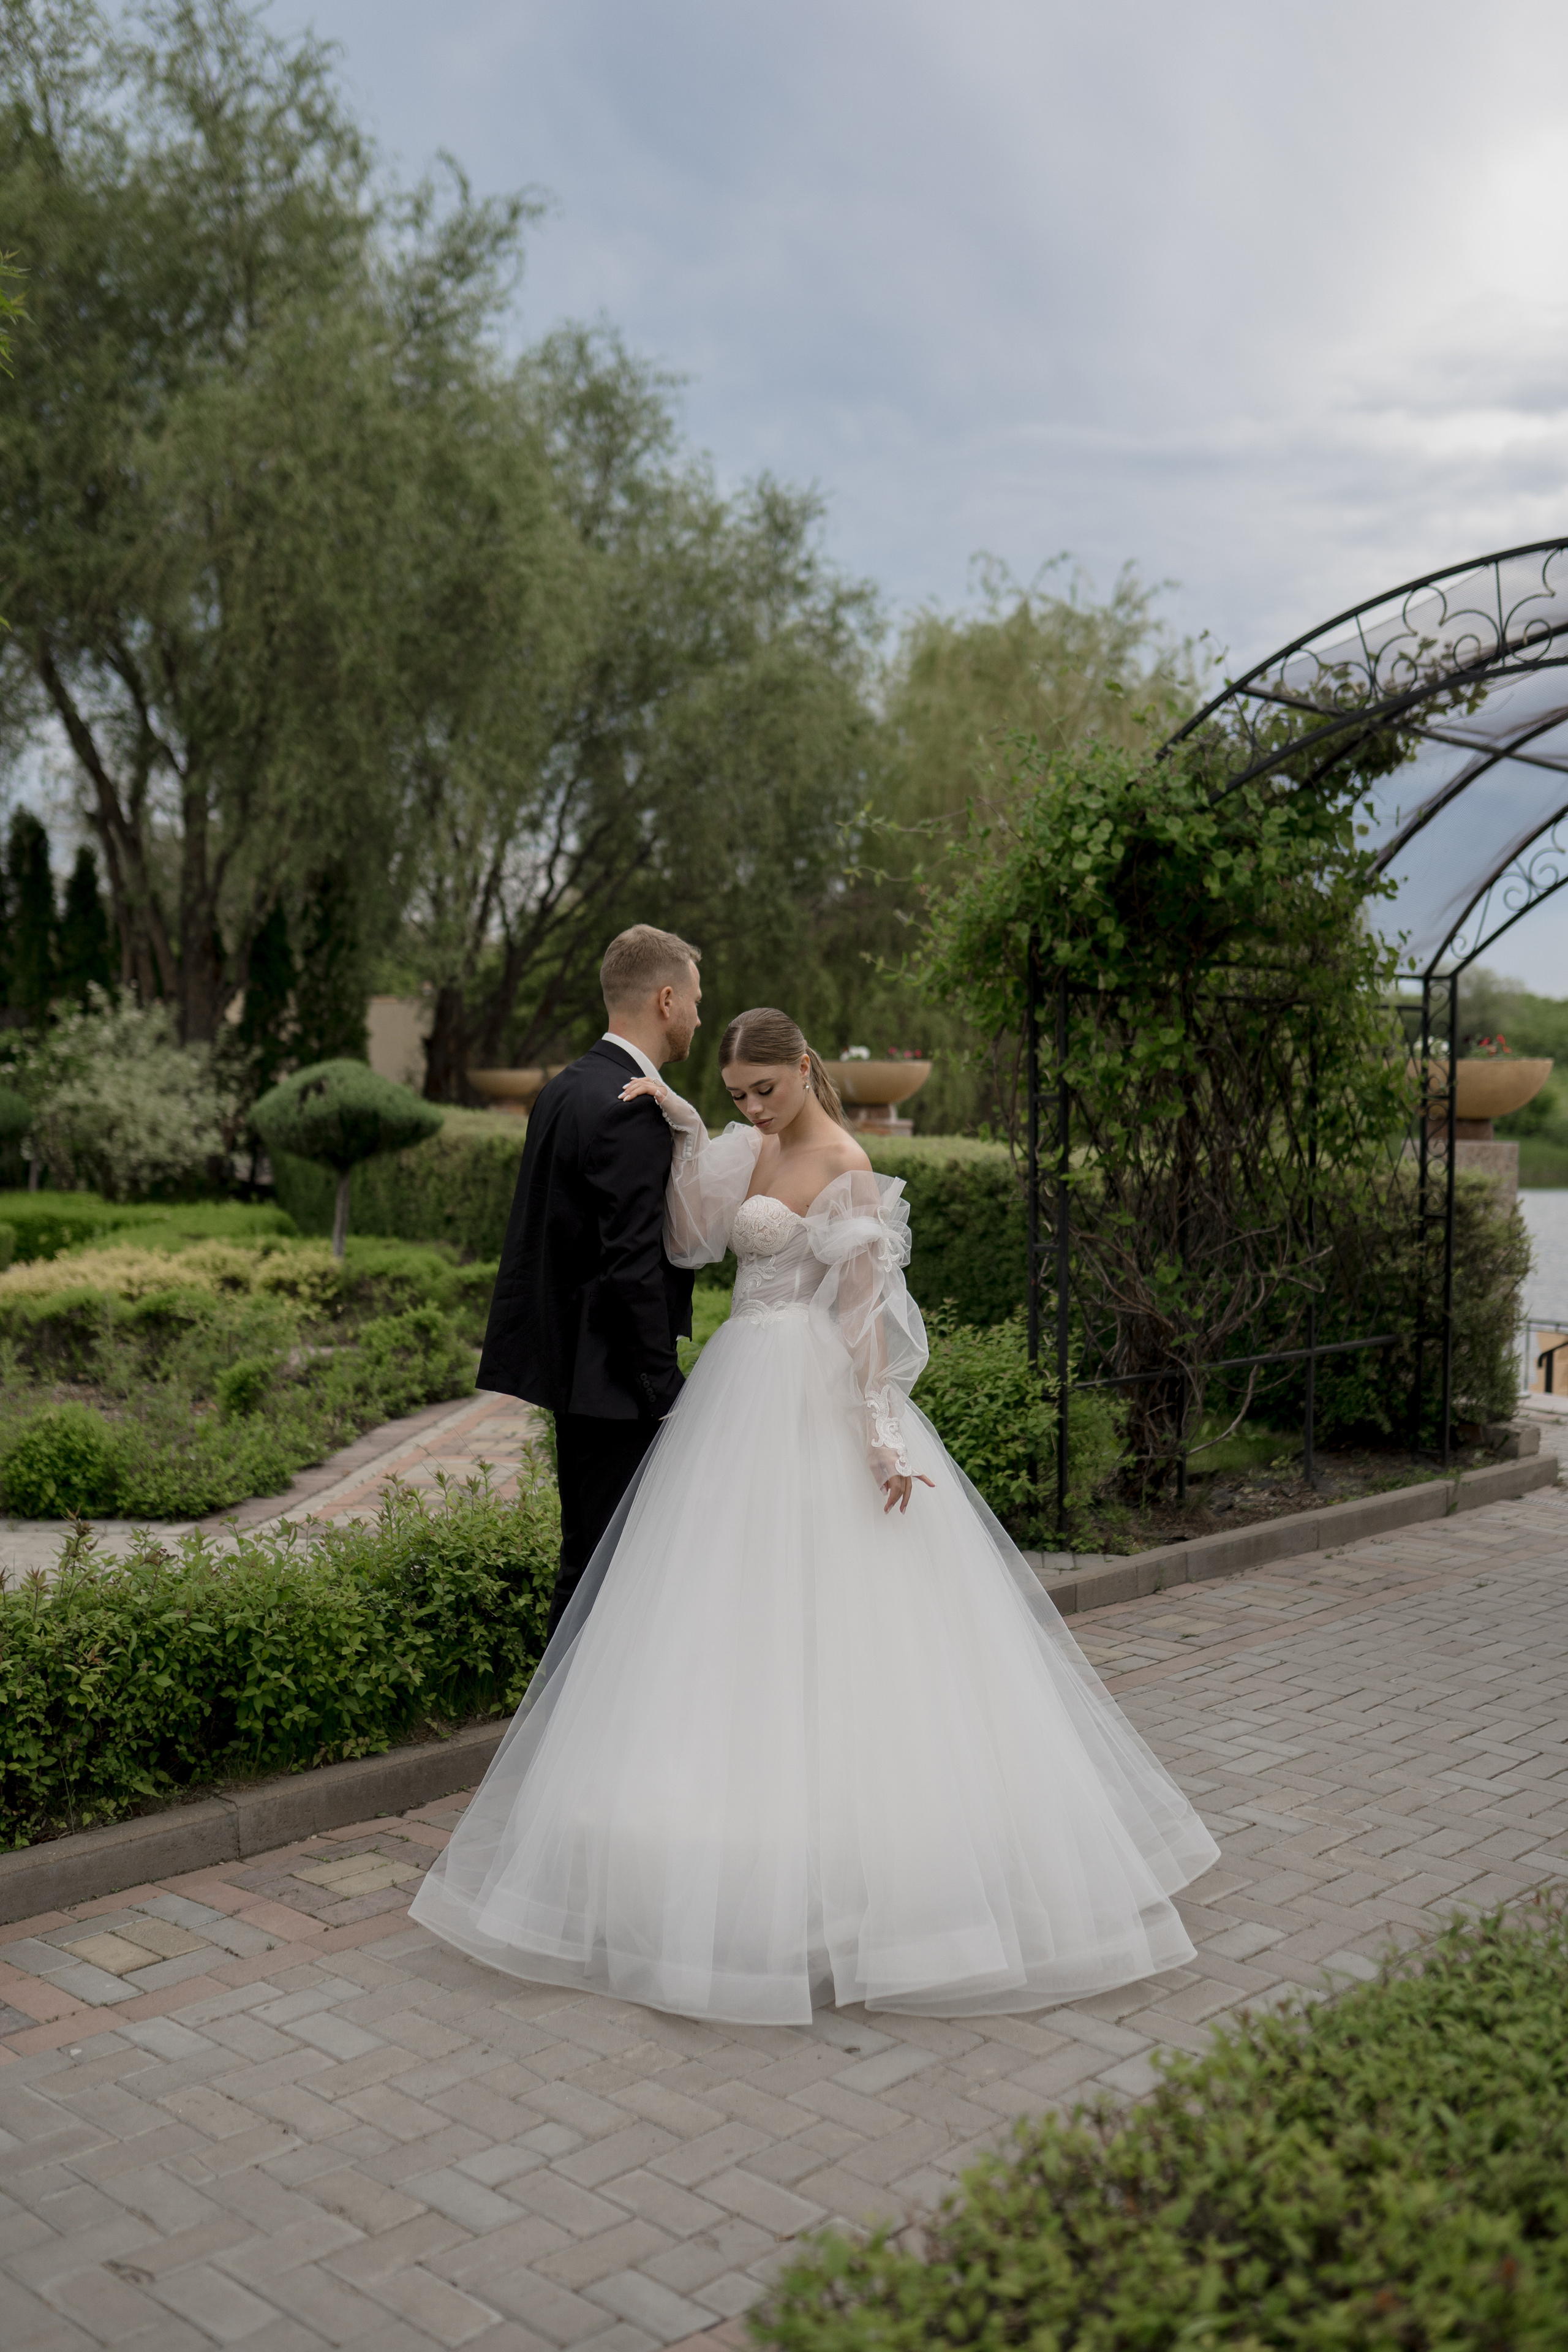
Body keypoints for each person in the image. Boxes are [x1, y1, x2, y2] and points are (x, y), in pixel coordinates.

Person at [413, 1007, 1218, 2023]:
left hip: (805, 1396)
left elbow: (864, 1320)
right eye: (740, 1092)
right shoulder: (750, 1141)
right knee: (710, 1606)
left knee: (831, 1613)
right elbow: (697, 1241)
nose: (754, 1106)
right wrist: (694, 1127)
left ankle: (853, 1879)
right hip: (733, 1392)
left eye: (767, 1089)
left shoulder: (847, 1165)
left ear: (806, 1068)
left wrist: (880, 1437)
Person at [477, 924, 703, 1638]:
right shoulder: (631, 1105)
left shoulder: (563, 1089)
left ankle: (559, 1735)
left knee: (587, 1561)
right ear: (665, 1000)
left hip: (573, 1374)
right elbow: (630, 1263)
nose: (699, 1016)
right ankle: (563, 1739)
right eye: (696, 1000)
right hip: (616, 1387)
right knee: (615, 1573)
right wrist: (664, 1390)